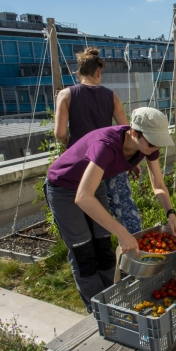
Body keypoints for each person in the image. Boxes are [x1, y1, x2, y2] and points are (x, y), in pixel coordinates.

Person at [46, 107, 176, 313]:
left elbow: (158, 184)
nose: (155, 148)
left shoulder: (146, 146)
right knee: (83, 251)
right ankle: (97, 310)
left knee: (102, 244)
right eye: (152, 142)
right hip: (63, 187)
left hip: (94, 184)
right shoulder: (106, 145)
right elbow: (83, 197)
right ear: (134, 132)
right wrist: (123, 232)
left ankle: (113, 300)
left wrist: (170, 214)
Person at [54, 47, 143, 234]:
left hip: (80, 163)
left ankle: (90, 251)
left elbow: (60, 132)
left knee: (84, 209)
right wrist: (131, 162)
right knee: (125, 210)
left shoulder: (66, 95)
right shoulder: (110, 96)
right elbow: (126, 132)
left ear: (78, 73)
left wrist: (67, 143)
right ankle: (137, 252)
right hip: (109, 160)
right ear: (99, 71)